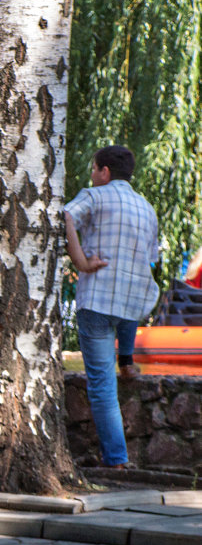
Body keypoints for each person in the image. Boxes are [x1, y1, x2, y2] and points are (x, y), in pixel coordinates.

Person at [64, 145, 159, 469]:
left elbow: (65, 214)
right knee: (128, 310)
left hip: (98, 298)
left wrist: (80, 261)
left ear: (104, 171)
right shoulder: (147, 208)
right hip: (132, 301)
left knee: (102, 385)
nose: (92, 174)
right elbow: (149, 260)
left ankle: (116, 460)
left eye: (94, 169)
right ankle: (128, 361)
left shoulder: (95, 195)